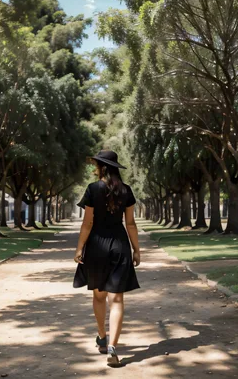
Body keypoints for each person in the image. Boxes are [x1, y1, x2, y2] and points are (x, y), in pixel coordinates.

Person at [73, 149, 140, 367]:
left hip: (96, 246)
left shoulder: (93, 189)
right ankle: (112, 347)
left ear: (101, 167)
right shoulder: (126, 190)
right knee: (117, 299)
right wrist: (136, 249)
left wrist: (79, 248)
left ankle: (102, 337)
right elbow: (130, 223)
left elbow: (87, 223)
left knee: (99, 296)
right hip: (120, 245)